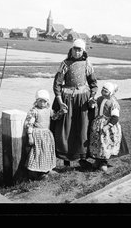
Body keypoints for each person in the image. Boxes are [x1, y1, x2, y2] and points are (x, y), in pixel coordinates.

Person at [52, 39, 98, 169]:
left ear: (83, 51)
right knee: (66, 129)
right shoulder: (65, 64)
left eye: (80, 50)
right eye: (75, 49)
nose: (77, 52)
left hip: (82, 101)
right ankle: (66, 159)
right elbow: (57, 84)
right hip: (67, 101)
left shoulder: (87, 64)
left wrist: (92, 97)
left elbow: (93, 84)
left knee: (82, 128)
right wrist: (60, 103)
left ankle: (82, 158)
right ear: (71, 49)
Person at [24, 89, 65, 180]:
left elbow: (54, 117)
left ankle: (47, 169)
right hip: (38, 134)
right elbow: (29, 124)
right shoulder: (34, 111)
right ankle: (38, 172)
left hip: (46, 133)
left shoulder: (48, 110)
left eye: (45, 101)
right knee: (39, 152)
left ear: (47, 102)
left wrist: (61, 112)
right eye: (40, 101)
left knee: (47, 152)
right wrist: (30, 136)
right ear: (36, 101)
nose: (42, 103)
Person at [89, 82, 129, 172]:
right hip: (99, 123)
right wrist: (92, 103)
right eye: (103, 90)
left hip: (108, 125)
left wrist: (108, 126)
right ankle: (98, 160)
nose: (103, 92)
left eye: (106, 91)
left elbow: (115, 117)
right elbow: (94, 105)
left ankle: (104, 162)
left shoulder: (113, 103)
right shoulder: (100, 99)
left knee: (105, 143)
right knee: (98, 142)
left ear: (110, 92)